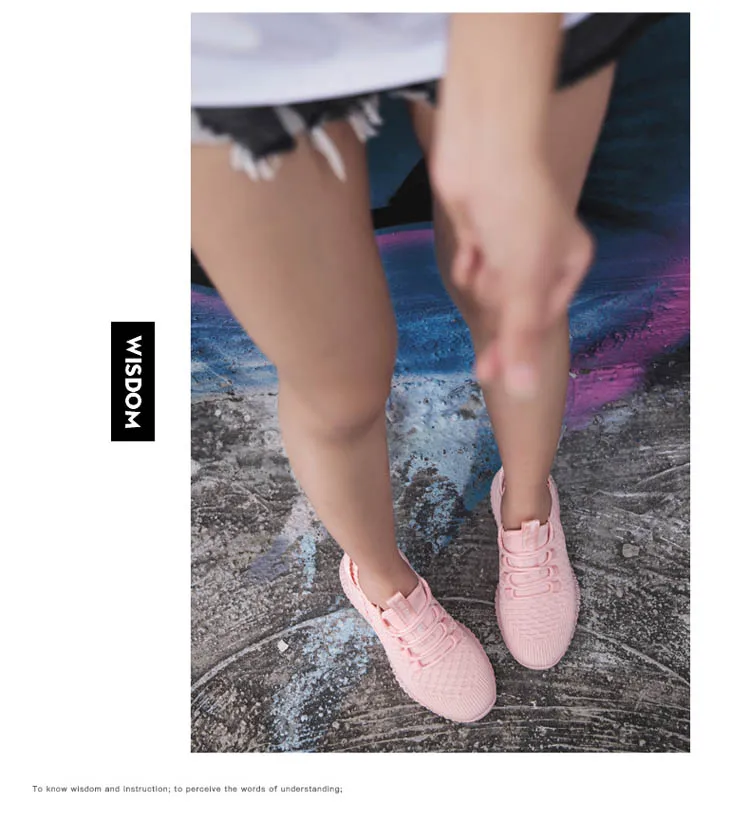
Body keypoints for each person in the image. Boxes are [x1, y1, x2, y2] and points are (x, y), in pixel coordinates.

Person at [191, 12, 667, 723]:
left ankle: (527, 507)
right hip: (232, 44)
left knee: (515, 299)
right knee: (337, 385)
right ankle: (384, 586)